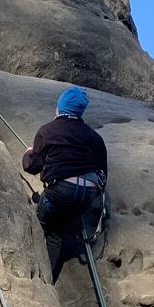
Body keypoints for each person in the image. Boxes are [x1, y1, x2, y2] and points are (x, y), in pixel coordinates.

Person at [22, 87, 108, 282]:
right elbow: (103, 174)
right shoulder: (95, 138)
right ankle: (50, 279)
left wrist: (28, 153)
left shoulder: (48, 131)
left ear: (60, 107)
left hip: (60, 191)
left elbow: (31, 166)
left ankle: (40, 277)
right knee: (59, 227)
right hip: (87, 194)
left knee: (47, 226)